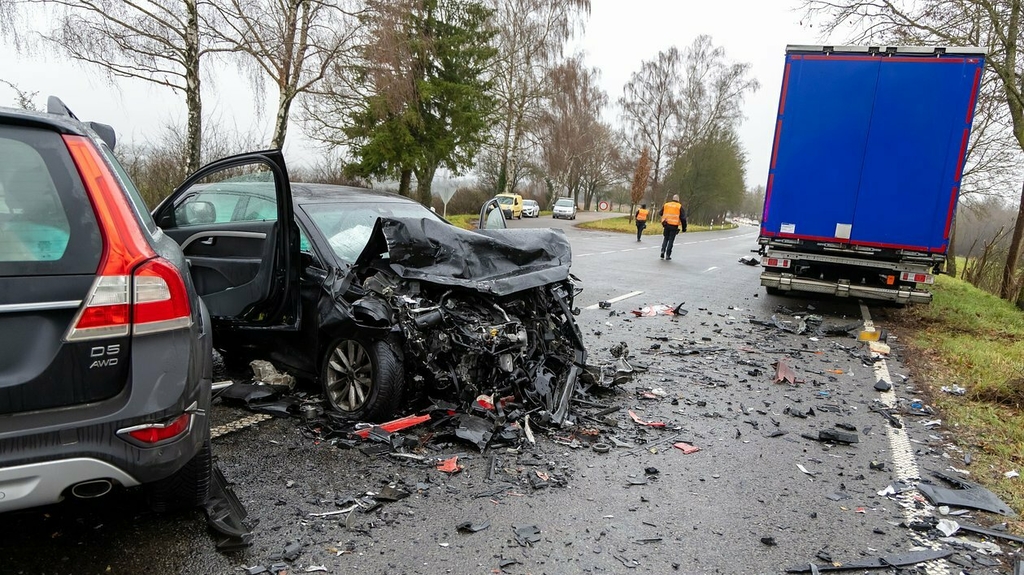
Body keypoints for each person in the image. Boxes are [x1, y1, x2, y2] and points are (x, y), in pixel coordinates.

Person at [659, 194, 687, 260]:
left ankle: (662, 250)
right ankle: (668, 255)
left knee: (666, 238)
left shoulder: (666, 205)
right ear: (678, 200)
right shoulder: (679, 206)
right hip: (674, 226)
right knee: (671, 240)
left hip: (666, 224)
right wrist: (684, 228)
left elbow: (660, 213)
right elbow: (683, 218)